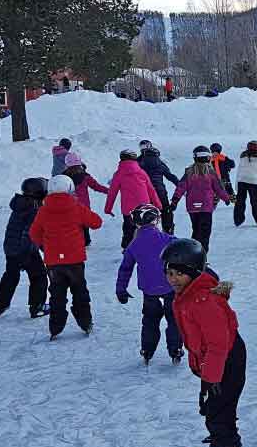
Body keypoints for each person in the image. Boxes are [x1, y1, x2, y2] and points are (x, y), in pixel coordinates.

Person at [163, 237, 247, 447]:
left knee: (220, 411)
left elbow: (218, 344)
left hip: (226, 361)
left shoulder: (204, 301)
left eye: (179, 274)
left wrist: (211, 377)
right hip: (214, 362)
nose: (172, 279)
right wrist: (199, 365)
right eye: (169, 273)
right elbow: (196, 340)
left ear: (193, 273)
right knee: (212, 408)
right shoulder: (187, 295)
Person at [29, 174, 103, 339]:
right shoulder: (76, 206)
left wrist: (45, 245)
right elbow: (96, 222)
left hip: (54, 261)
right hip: (74, 260)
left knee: (57, 294)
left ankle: (55, 327)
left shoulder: (43, 210)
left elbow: (34, 233)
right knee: (80, 291)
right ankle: (85, 322)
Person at [116, 204, 182, 365]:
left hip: (149, 291)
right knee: (174, 319)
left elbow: (125, 268)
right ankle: (175, 349)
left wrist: (121, 289)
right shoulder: (169, 240)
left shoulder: (134, 245)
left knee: (150, 320)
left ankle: (147, 350)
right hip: (170, 287)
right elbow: (186, 256)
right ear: (156, 220)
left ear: (137, 223)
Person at [0, 177, 49, 319]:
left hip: (11, 248)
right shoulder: (33, 209)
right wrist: (38, 251)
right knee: (39, 276)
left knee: (11, 275)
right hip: (25, 250)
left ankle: (1, 304)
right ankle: (37, 307)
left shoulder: (21, 204)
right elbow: (31, 233)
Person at [171, 146, 231, 250]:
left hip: (192, 207)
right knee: (205, 232)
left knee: (196, 230)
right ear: (208, 158)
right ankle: (201, 254)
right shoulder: (211, 172)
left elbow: (181, 187)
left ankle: (194, 252)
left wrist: (175, 200)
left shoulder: (189, 172)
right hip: (206, 207)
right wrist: (226, 198)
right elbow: (219, 188)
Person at [104, 149, 161, 249]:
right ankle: (145, 247)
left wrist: (108, 209)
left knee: (128, 229)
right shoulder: (141, 172)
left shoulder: (118, 174)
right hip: (144, 207)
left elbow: (112, 193)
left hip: (128, 209)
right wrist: (158, 204)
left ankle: (127, 248)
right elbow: (151, 190)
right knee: (144, 228)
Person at [62, 152, 108, 247]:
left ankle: (76, 240)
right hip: (84, 207)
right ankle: (86, 241)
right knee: (84, 224)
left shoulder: (63, 178)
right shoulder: (85, 176)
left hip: (69, 207)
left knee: (73, 225)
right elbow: (96, 186)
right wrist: (109, 191)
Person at [137, 141, 180, 235]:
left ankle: (146, 234)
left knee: (145, 212)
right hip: (160, 191)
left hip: (145, 192)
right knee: (165, 210)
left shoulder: (138, 162)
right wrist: (180, 186)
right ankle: (168, 230)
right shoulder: (159, 162)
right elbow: (170, 176)